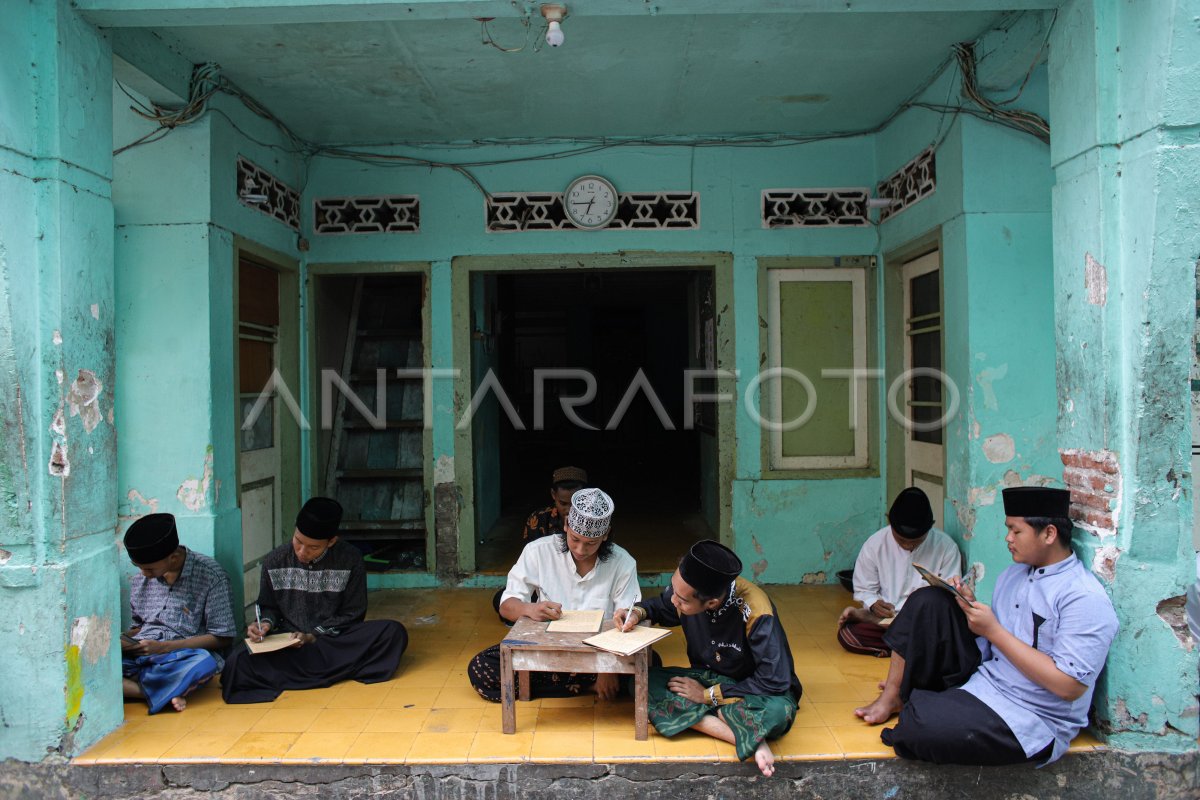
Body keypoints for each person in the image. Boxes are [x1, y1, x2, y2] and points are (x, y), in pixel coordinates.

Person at [853, 486, 1119, 766]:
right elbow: (991, 645)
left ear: (1049, 534)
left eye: (1016, 531)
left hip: (1031, 714)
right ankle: (897, 694)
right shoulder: (1014, 574)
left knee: (918, 726)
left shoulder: (1081, 596)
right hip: (988, 680)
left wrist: (993, 630)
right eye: (1008, 529)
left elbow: (1069, 687)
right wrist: (968, 607)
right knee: (928, 601)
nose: (1008, 538)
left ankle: (921, 701)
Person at [616, 540, 802, 778]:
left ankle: (705, 718)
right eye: (673, 590)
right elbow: (660, 606)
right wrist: (636, 613)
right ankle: (746, 736)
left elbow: (775, 680)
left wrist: (707, 696)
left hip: (750, 690)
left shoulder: (756, 610)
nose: (674, 601)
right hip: (706, 678)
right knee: (641, 682)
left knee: (778, 712)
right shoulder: (682, 594)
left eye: (682, 601)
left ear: (711, 603)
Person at [221, 497, 408, 703]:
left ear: (331, 542)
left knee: (393, 633)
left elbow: (353, 613)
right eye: (298, 541)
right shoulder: (274, 560)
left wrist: (313, 636)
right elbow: (269, 607)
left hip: (331, 642)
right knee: (235, 661)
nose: (302, 552)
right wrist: (264, 624)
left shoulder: (350, 559)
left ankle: (297, 676)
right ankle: (338, 671)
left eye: (313, 547)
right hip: (289, 643)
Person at [469, 487, 640, 702]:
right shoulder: (537, 552)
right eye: (575, 539)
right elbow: (506, 605)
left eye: (591, 543)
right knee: (481, 667)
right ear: (566, 525)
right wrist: (529, 609)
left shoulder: (623, 563)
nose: (580, 549)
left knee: (650, 665)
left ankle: (577, 684)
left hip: (601, 654)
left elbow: (627, 622)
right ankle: (587, 688)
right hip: (548, 652)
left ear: (605, 535)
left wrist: (608, 670)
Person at [120, 513, 236, 713]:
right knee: (96, 661)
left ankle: (141, 687)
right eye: (139, 568)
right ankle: (161, 690)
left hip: (182, 655)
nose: (143, 574)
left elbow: (222, 638)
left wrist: (164, 648)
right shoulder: (141, 579)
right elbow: (138, 626)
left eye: (149, 569)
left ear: (173, 557)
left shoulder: (211, 576)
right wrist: (124, 641)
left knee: (204, 662)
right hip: (145, 655)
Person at [837, 487, 962, 657]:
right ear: (890, 522)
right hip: (888, 619)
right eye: (901, 539)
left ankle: (895, 646)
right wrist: (873, 604)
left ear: (930, 527)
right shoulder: (875, 545)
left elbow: (949, 596)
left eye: (916, 541)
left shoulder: (946, 547)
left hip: (923, 622)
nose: (908, 546)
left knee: (947, 638)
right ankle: (906, 648)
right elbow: (864, 589)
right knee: (848, 635)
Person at [491, 466, 589, 617]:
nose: (569, 510)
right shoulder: (538, 520)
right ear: (553, 495)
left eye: (575, 504)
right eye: (563, 503)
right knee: (502, 600)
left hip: (583, 588)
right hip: (545, 588)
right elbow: (529, 565)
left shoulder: (595, 525)